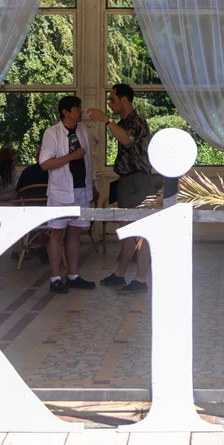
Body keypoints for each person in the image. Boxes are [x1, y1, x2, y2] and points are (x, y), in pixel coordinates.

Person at [87, 84, 153, 293]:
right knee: (127, 230)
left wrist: (107, 120)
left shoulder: (136, 122)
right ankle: (120, 275)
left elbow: (126, 139)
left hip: (138, 182)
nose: (110, 104)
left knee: (141, 231)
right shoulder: (124, 123)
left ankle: (141, 280)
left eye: (113, 100)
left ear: (124, 100)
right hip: (126, 182)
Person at [39, 95, 98, 294]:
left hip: (82, 189)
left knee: (75, 232)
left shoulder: (83, 130)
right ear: (65, 112)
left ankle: (73, 275)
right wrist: (71, 156)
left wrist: (93, 184)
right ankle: (55, 278)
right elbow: (45, 163)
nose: (80, 111)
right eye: (77, 108)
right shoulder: (52, 133)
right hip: (61, 191)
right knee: (57, 233)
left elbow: (90, 161)